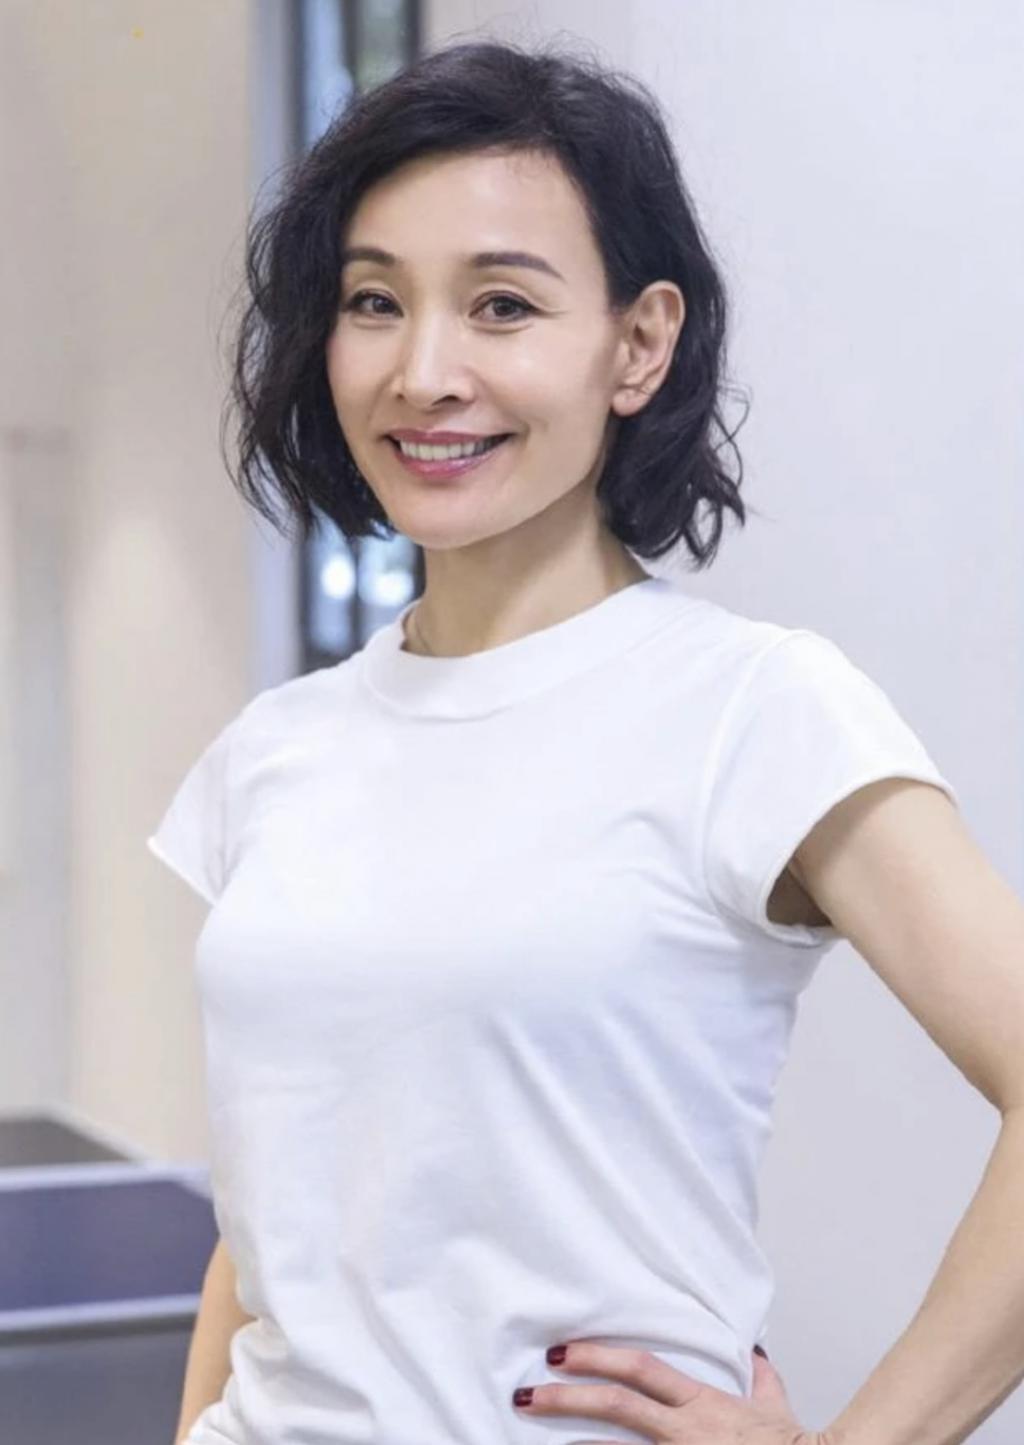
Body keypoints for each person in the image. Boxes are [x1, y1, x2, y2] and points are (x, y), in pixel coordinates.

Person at [150, 38, 961, 1445]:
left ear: (638, 344)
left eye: (503, 306)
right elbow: (274, 1214)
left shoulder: (757, 710)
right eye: (373, 302)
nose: (424, 372)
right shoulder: (275, 750)